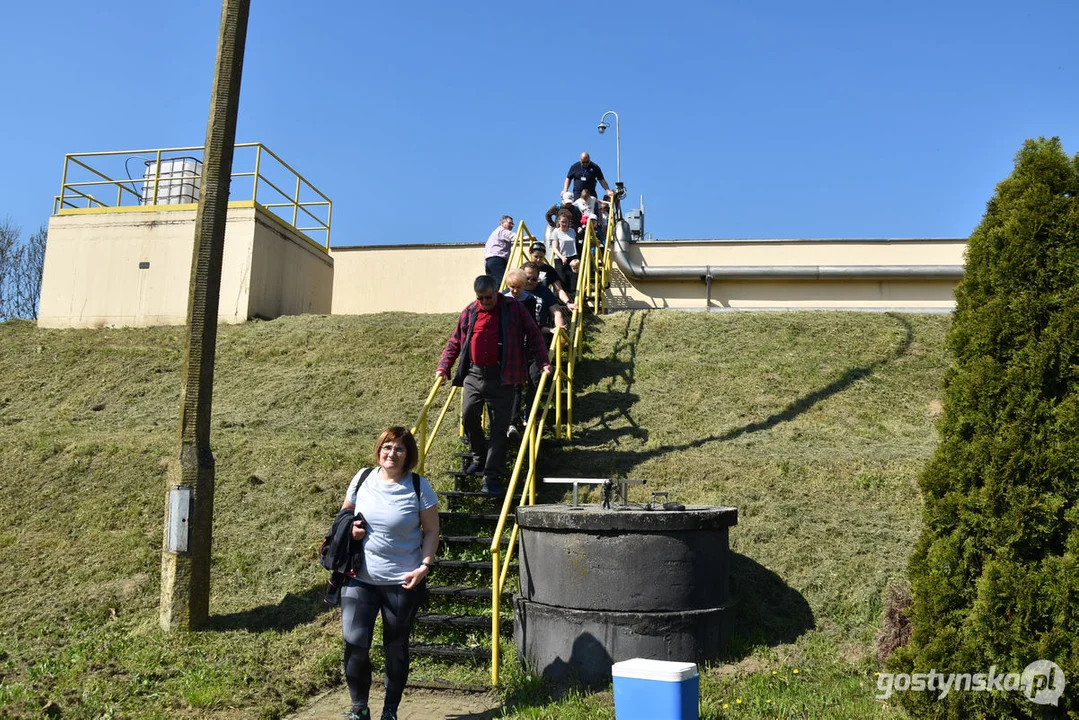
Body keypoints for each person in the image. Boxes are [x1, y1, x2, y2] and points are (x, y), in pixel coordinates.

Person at [339, 426, 440, 720]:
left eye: (398, 449)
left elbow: (432, 530)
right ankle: (359, 708)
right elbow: (344, 516)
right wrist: (352, 529)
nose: (391, 453)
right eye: (386, 447)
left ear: (408, 455)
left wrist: (424, 566)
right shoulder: (362, 478)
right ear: (379, 449)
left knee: (395, 648)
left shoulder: (419, 487)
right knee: (355, 643)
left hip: (402, 581)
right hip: (359, 578)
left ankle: (390, 711)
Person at [435, 275, 552, 495]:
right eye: (481, 298)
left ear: (497, 291)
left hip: (503, 377)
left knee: (499, 429)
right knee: (469, 416)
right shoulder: (470, 311)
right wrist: (443, 367)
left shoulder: (514, 309)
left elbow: (535, 335)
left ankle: (492, 477)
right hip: (474, 374)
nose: (485, 302)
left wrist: (544, 362)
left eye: (489, 297)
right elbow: (455, 341)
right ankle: (479, 456)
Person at [528, 242, 576, 311]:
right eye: (536, 256)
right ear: (530, 253)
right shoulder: (525, 269)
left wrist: (568, 303)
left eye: (541, 257)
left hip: (543, 304)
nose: (538, 259)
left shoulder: (549, 270)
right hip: (527, 302)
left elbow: (559, 289)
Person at [483, 215, 515, 285]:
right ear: (502, 223)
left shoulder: (495, 232)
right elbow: (513, 236)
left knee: (492, 285)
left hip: (489, 262)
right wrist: (524, 237)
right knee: (502, 283)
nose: (511, 225)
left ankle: (494, 295)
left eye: (512, 224)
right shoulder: (502, 230)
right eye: (509, 223)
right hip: (498, 260)